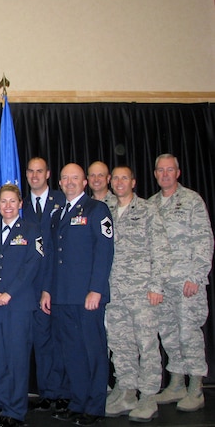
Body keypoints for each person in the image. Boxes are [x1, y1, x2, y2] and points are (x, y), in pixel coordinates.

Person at [41, 163, 114, 426]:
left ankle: (94, 407)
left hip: (87, 297)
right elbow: (51, 256)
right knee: (71, 353)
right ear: (59, 183)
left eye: (75, 178)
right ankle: (78, 401)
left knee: (92, 351)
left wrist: (96, 289)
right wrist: (48, 290)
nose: (69, 182)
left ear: (85, 183)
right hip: (62, 296)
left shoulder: (97, 210)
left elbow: (104, 254)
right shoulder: (57, 214)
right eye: (65, 178)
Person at [149, 153, 214, 412]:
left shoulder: (191, 200)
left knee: (189, 334)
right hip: (163, 284)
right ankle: (176, 384)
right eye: (160, 170)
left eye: (169, 170)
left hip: (187, 282)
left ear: (178, 172)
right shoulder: (151, 204)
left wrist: (197, 276)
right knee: (168, 334)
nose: (165, 174)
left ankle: (196, 387)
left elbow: (204, 239)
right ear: (155, 174)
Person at [0, 184, 45, 427]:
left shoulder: (32, 230)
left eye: (12, 201)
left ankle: (16, 411)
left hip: (18, 305)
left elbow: (32, 266)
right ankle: (4, 405)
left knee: (16, 359)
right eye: (3, 201)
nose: (7, 205)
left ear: (20, 204)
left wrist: (8, 293)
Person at [104, 166, 169, 422]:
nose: (119, 182)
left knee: (147, 344)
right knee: (120, 344)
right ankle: (128, 391)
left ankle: (149, 396)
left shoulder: (147, 210)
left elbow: (161, 250)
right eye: (116, 178)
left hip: (142, 291)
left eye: (124, 178)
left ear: (133, 182)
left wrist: (156, 286)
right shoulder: (105, 211)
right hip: (115, 292)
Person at [22, 157, 68, 413]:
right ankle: (47, 391)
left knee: (61, 340)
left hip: (59, 283)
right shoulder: (21, 205)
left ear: (48, 174)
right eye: (31, 171)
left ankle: (63, 391)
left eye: (40, 171)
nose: (35, 175)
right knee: (41, 341)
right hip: (32, 286)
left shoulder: (61, 201)